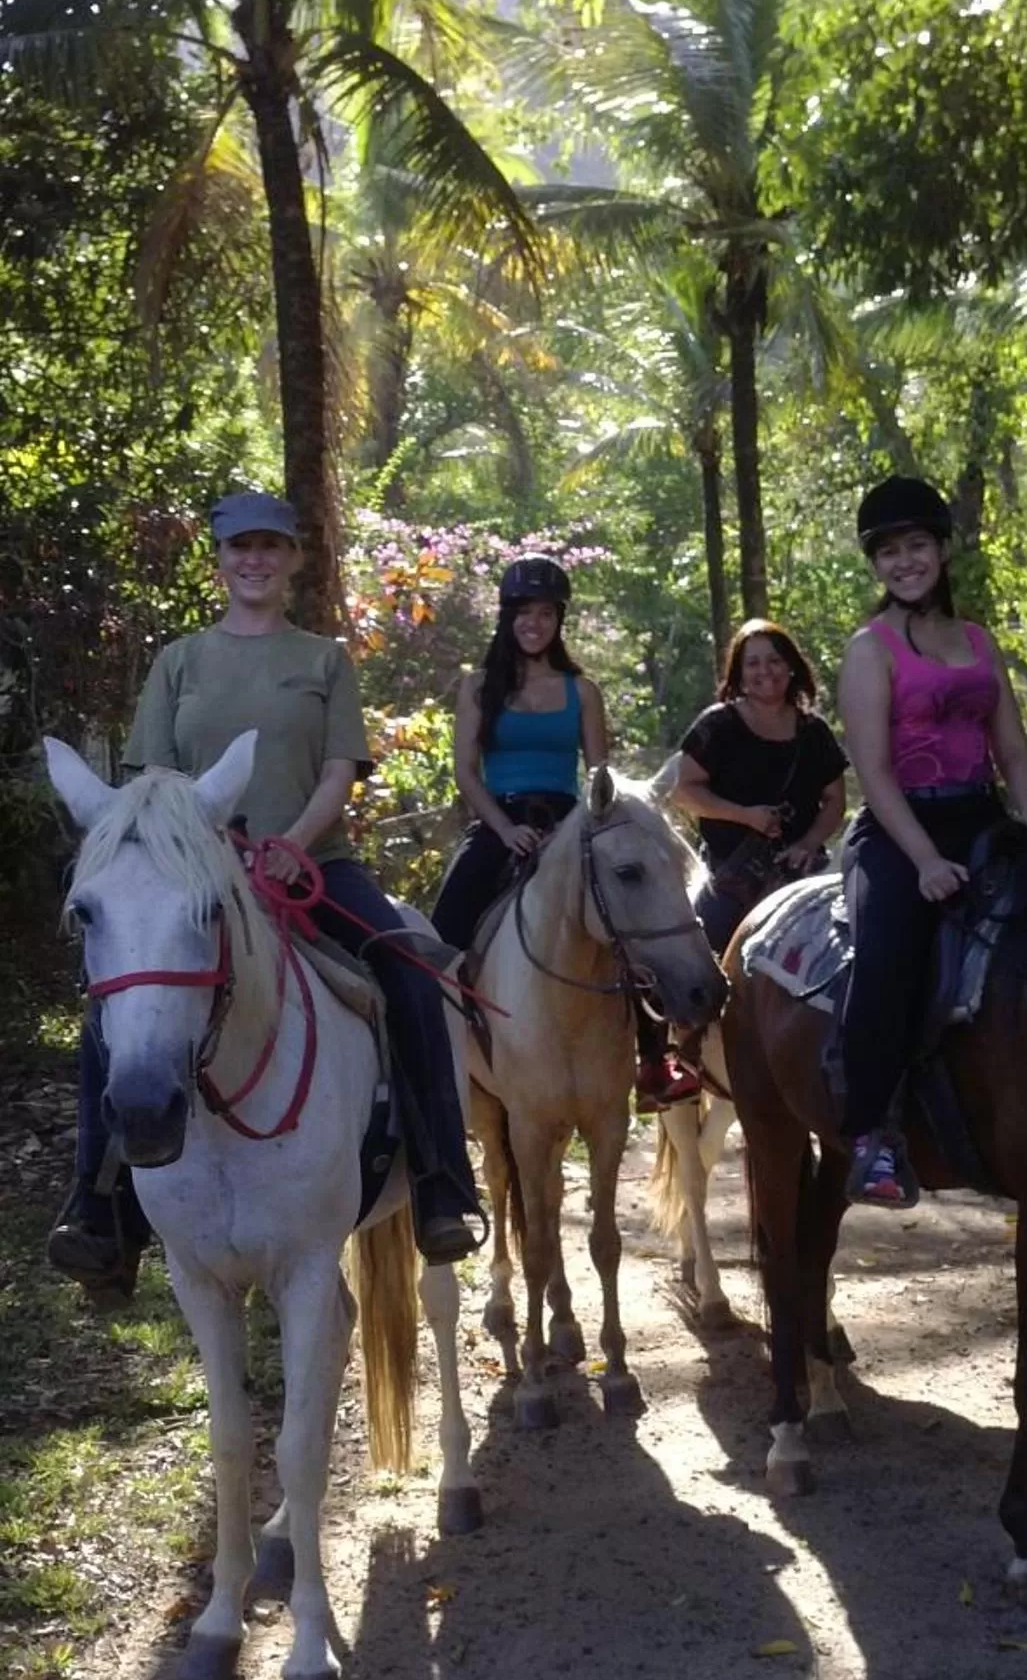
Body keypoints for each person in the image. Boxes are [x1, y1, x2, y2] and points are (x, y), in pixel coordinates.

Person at [47, 487, 484, 1299]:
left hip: (317, 863)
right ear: (219, 561)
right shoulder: (180, 660)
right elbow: (150, 782)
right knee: (113, 1010)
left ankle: (440, 1186)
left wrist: (291, 844)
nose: (254, 559)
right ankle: (100, 1212)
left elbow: (338, 770)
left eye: (269, 547)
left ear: (291, 560)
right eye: (238, 546)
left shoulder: (324, 658)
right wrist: (196, 853)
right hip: (197, 874)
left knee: (408, 974)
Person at [837, 473, 1027, 1209]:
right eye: (887, 552)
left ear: (943, 548)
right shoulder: (872, 648)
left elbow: (1012, 750)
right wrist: (923, 860)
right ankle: (871, 1134)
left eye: (916, 545)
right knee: (887, 954)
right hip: (899, 832)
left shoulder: (980, 643)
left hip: (982, 817)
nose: (903, 562)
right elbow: (873, 768)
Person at [431, 554, 698, 1107]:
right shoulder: (479, 687)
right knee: (442, 933)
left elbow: (601, 777)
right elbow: (465, 772)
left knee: (631, 921)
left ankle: (653, 1059)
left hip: (571, 828)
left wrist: (573, 836)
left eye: (546, 613)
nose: (535, 623)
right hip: (501, 822)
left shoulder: (583, 691)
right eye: (524, 612)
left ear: (559, 620)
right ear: (507, 617)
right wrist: (503, 831)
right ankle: (438, 1061)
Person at [671, 618, 848, 957]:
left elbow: (835, 801)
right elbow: (683, 790)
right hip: (728, 876)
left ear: (791, 667)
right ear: (738, 673)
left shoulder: (814, 732)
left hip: (800, 874)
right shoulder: (717, 725)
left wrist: (809, 843)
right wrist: (744, 816)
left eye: (774, 660)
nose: (765, 670)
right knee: (698, 956)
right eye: (752, 663)